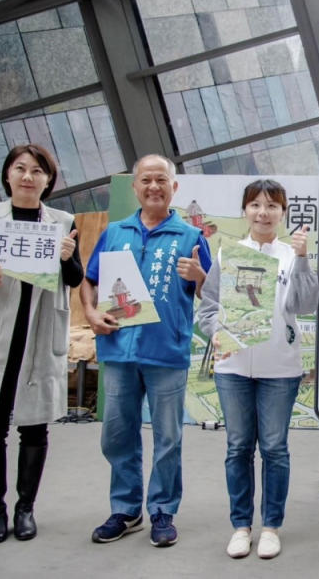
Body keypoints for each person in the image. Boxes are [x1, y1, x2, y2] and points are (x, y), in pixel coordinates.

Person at [0, 144, 81, 543]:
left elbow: (74, 279)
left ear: (48, 180)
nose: (28, 177)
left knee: (34, 427)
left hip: (38, 334)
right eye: (20, 169)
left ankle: (26, 509)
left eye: (37, 171)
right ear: (7, 175)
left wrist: (67, 256)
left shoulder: (62, 221)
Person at [81, 154, 212, 548]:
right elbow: (89, 281)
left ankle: (162, 511)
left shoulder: (191, 238)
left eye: (161, 180)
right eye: (146, 180)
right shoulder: (115, 231)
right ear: (135, 186)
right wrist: (89, 312)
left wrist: (201, 276)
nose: (154, 186)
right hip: (118, 350)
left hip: (166, 352)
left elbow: (215, 296)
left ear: (174, 187)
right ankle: (125, 509)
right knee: (117, 434)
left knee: (168, 437)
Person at [197, 180, 317, 559]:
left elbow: (305, 303)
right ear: (245, 211)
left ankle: (271, 527)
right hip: (232, 366)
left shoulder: (290, 254)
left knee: (275, 449)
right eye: (255, 205)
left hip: (280, 367)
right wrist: (216, 332)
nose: (263, 212)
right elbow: (208, 307)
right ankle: (240, 525)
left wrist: (301, 258)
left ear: (283, 212)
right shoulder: (227, 253)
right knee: (237, 448)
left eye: (271, 206)